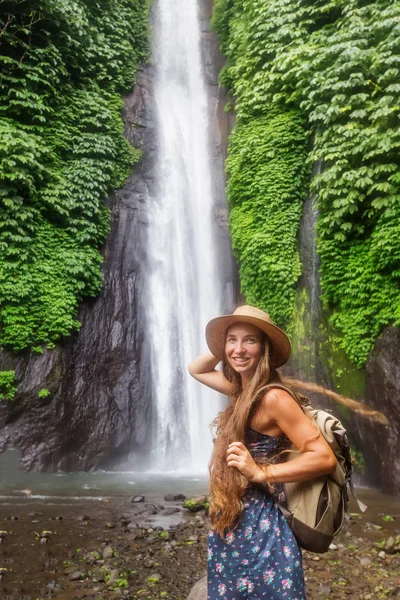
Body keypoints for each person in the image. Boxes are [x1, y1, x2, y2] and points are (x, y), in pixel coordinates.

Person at [188, 305, 336, 600]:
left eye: (250, 340)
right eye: (232, 339)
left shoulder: (273, 397)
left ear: (264, 348)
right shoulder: (241, 391)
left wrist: (260, 472)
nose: (239, 349)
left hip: (262, 532)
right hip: (232, 524)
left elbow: (323, 456)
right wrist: (226, 348)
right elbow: (196, 368)